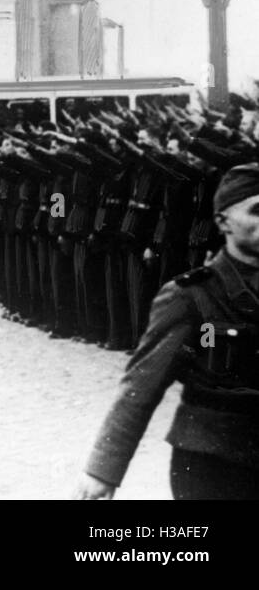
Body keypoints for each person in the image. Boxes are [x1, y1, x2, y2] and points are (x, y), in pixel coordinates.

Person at [76, 162, 259, 500]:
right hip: (214, 463)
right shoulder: (191, 295)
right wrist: (103, 470)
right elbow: (141, 385)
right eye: (256, 210)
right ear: (223, 221)